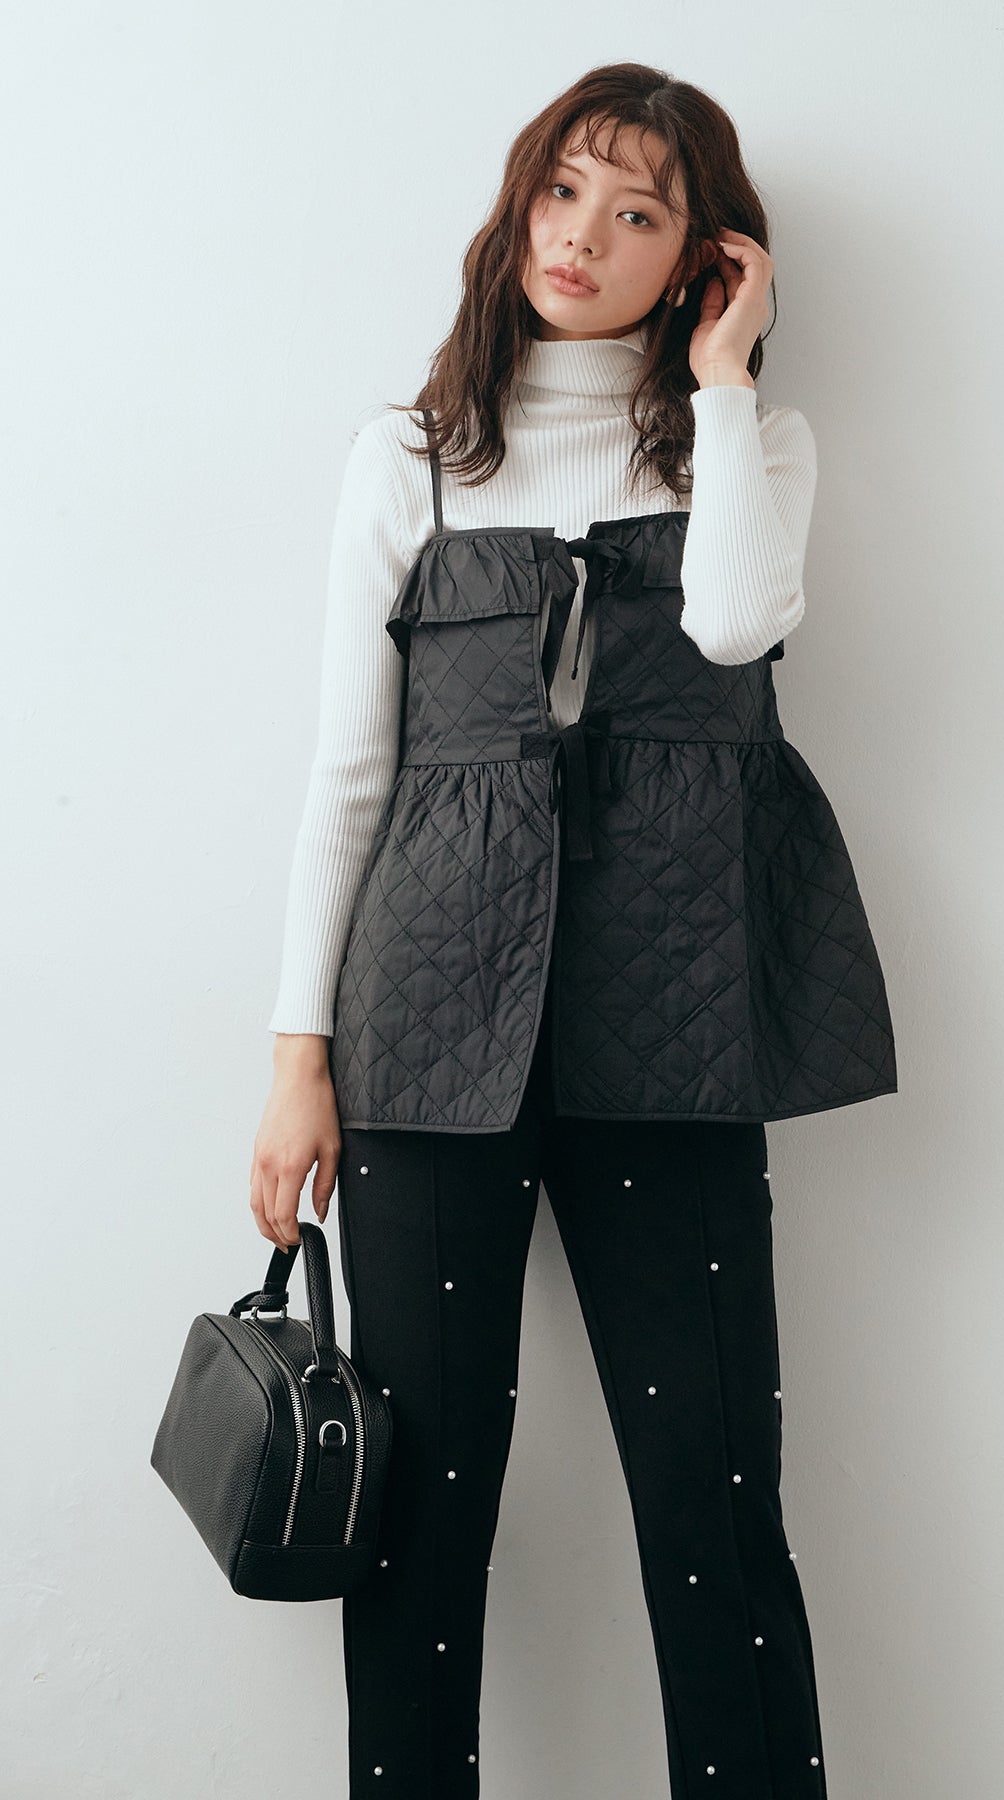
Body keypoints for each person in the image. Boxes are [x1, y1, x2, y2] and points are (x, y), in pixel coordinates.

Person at [251, 61, 896, 1800]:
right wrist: (298, 1058)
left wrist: (723, 382)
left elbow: (742, 625)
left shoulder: (752, 444)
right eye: (565, 190)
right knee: (419, 1518)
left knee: (713, 1504)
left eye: (640, 213)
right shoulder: (410, 455)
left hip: (673, 1019)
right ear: (518, 198)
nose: (584, 236)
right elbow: (349, 774)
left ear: (705, 258)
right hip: (425, 1025)